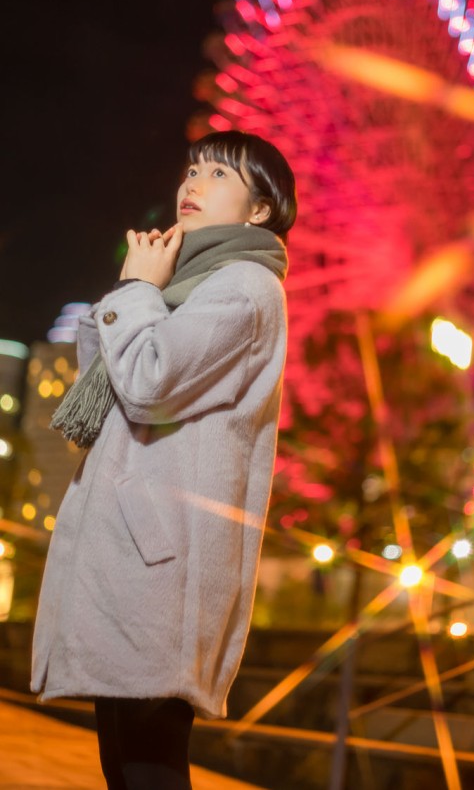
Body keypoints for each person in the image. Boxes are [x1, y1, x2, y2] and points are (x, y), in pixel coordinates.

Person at [31, 130, 297, 790]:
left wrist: (134, 290)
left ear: (259, 210)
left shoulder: (244, 287)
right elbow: (114, 394)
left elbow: (149, 383)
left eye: (217, 174)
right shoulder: (187, 284)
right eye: (192, 169)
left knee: (149, 762)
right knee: (126, 758)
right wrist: (139, 291)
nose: (193, 183)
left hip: (163, 557)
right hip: (132, 546)